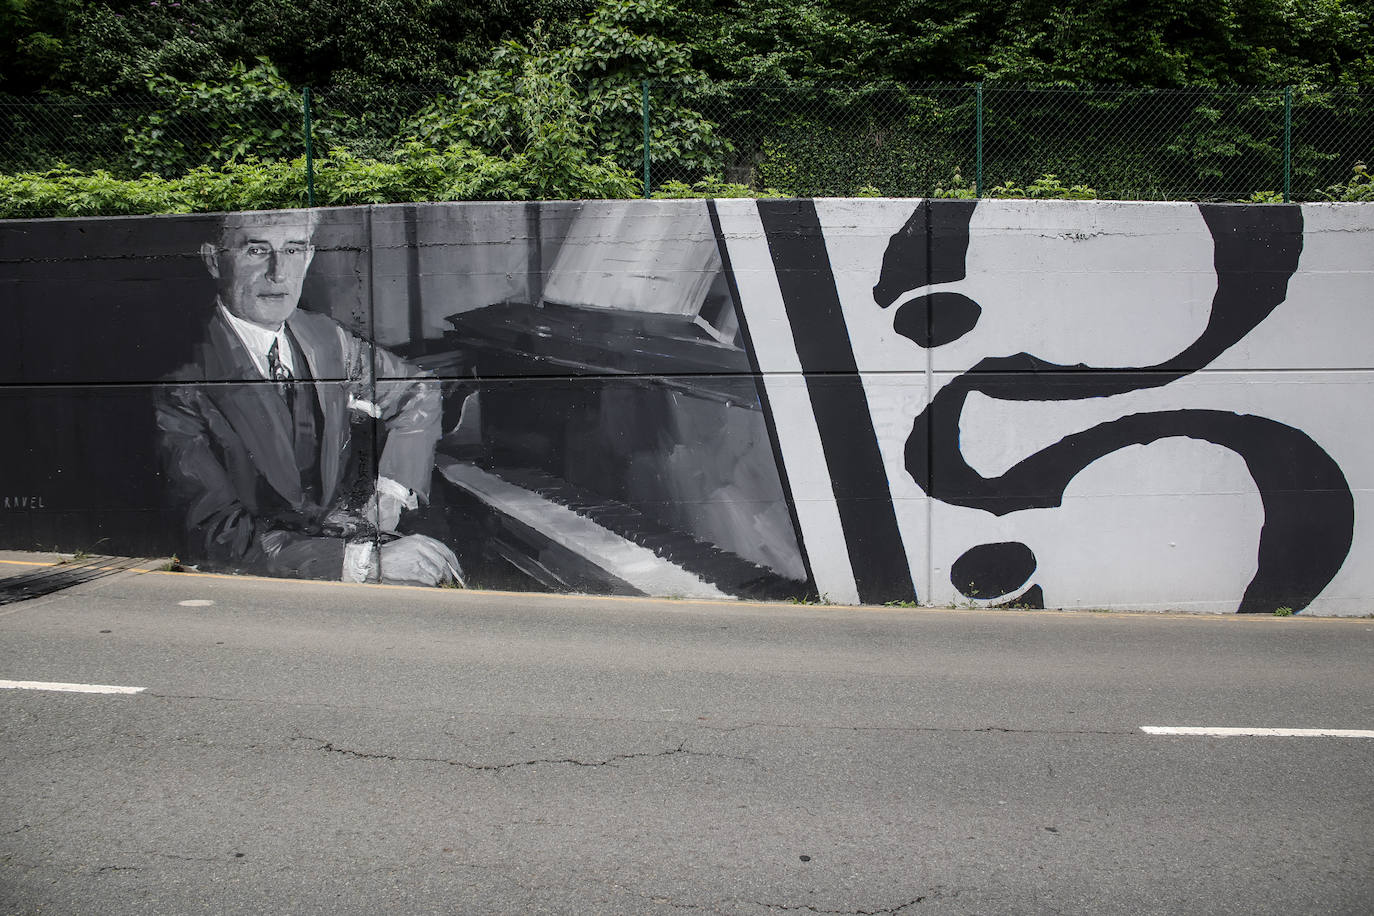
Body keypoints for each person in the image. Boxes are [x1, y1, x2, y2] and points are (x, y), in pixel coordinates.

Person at [155, 209, 462, 587]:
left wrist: (392, 490)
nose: (278, 273)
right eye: (256, 250)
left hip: (340, 542)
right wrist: (364, 562)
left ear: (310, 256)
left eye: (293, 250)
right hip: (261, 584)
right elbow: (217, 536)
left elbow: (417, 389)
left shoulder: (323, 337)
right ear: (214, 260)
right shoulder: (180, 379)